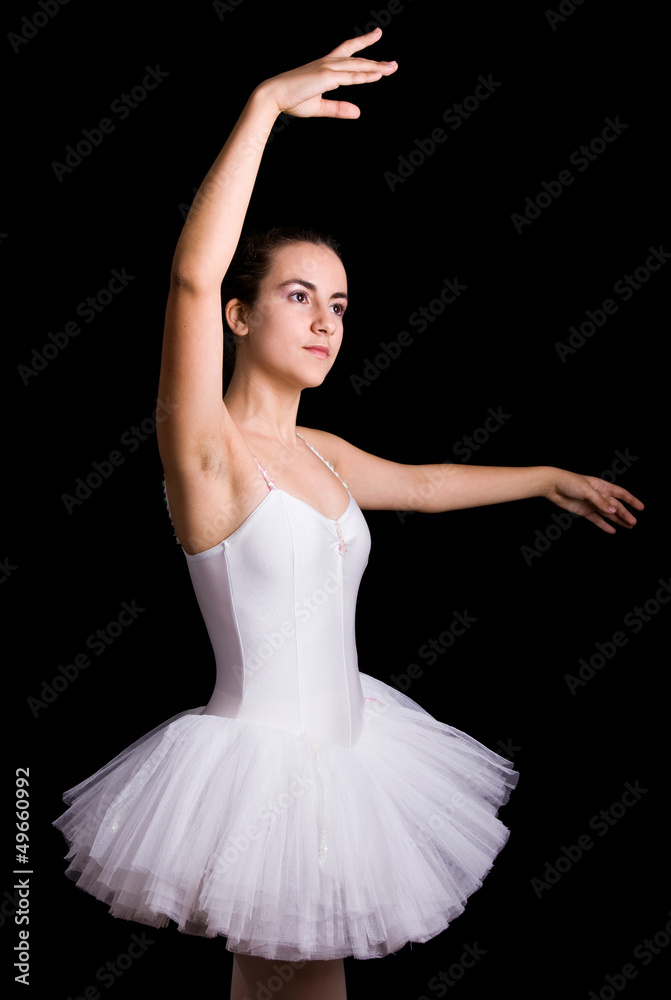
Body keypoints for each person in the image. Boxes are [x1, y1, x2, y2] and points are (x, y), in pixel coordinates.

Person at [52, 28, 644, 1000]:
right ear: (240, 317)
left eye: (338, 300)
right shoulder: (208, 452)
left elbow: (422, 482)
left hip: (352, 752)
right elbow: (193, 277)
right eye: (297, 295)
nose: (327, 320)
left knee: (298, 988)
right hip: (263, 770)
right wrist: (261, 109)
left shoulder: (320, 451)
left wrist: (543, 475)